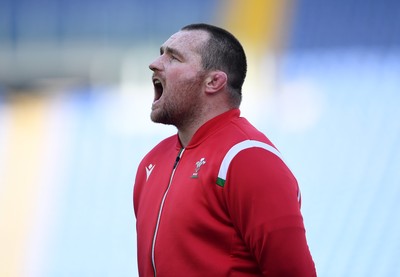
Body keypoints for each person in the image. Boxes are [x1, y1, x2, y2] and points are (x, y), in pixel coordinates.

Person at [133, 23, 316, 276]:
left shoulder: (248, 158)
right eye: (161, 52)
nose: (155, 63)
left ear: (214, 81)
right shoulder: (151, 163)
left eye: (174, 57)